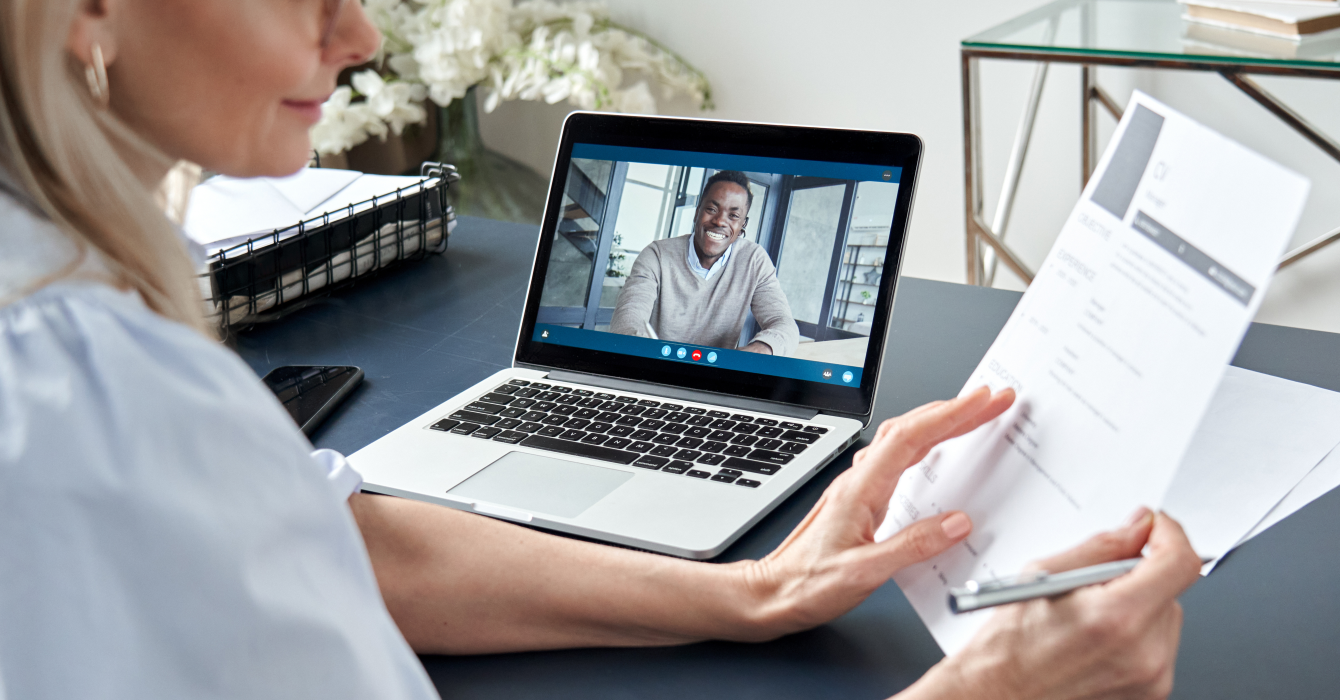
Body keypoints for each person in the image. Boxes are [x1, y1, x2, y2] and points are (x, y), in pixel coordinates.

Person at [0, 0, 1203, 698]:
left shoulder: (69, 308)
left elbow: (329, 536)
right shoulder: (77, 393)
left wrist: (753, 590)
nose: (359, 32)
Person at [609, 170, 800, 356]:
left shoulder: (754, 261)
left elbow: (784, 324)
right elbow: (628, 319)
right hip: (655, 368)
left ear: (743, 225)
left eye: (733, 216)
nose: (719, 221)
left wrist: (760, 349)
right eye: (711, 209)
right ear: (697, 212)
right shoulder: (656, 255)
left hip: (716, 378)